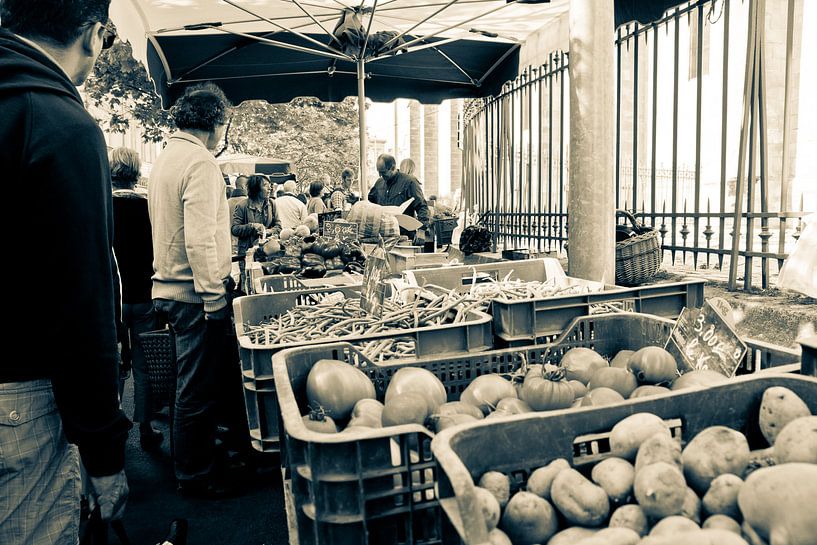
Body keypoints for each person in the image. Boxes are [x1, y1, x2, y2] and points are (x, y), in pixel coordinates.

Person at [0, 0, 131, 541]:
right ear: (94, 35)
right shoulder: (59, 122)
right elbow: (82, 299)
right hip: (18, 400)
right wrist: (103, 453)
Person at [148, 82, 236, 498]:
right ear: (215, 124)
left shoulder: (167, 157)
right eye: (224, 125)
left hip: (170, 287)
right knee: (195, 389)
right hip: (190, 293)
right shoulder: (200, 162)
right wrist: (215, 297)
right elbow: (201, 239)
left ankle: (195, 463)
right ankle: (195, 474)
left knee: (191, 385)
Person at [110, 147, 163, 451]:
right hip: (144, 294)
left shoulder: (101, 207)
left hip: (113, 301)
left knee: (115, 365)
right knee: (144, 368)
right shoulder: (147, 209)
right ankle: (146, 429)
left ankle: (114, 435)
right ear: (136, 174)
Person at [368, 153, 430, 240]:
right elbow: (370, 204)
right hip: (382, 236)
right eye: (379, 172)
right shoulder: (379, 183)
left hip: (404, 236)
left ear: (393, 168)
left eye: (383, 172)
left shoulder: (409, 182)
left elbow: (422, 206)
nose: (380, 175)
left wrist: (422, 229)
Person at [232, 174, 276, 291]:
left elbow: (279, 226)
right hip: (248, 254)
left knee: (266, 284)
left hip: (267, 253)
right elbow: (235, 229)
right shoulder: (242, 206)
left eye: (270, 185)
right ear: (256, 188)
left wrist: (267, 231)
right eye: (266, 186)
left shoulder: (271, 204)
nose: (270, 188)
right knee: (249, 284)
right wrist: (252, 226)